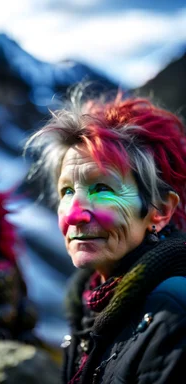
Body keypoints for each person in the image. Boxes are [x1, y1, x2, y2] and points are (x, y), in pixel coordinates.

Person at [24, 84, 186, 384]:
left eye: (103, 189)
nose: (75, 213)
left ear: (160, 211)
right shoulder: (90, 305)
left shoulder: (174, 313)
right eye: (67, 191)